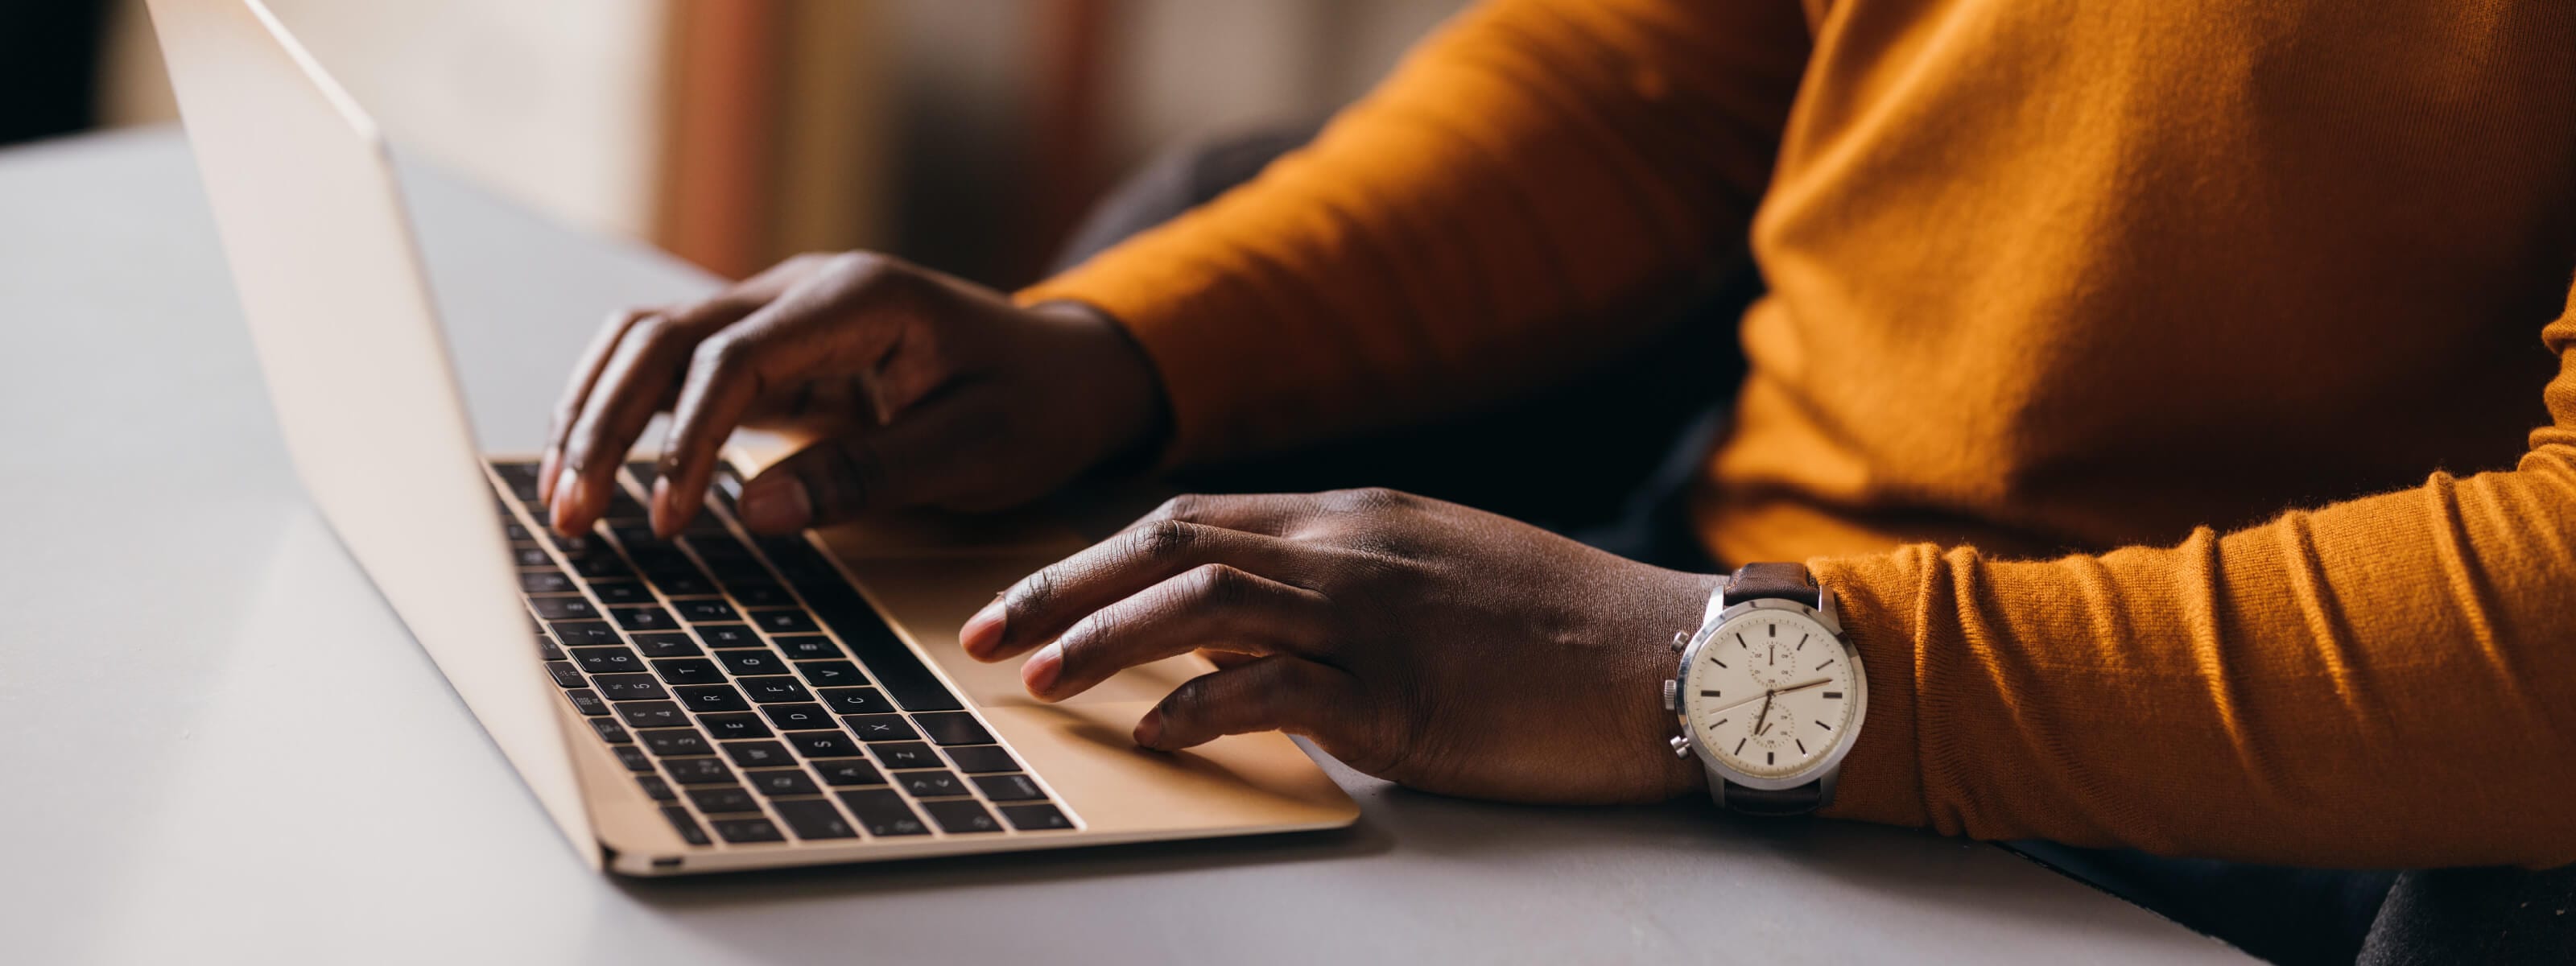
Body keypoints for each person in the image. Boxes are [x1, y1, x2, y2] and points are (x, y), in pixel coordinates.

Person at [535, 0, 2574, 960]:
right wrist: (1115, 346)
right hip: (1692, 634)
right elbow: (1647, 78)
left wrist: (1703, 677)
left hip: (2225, 836)